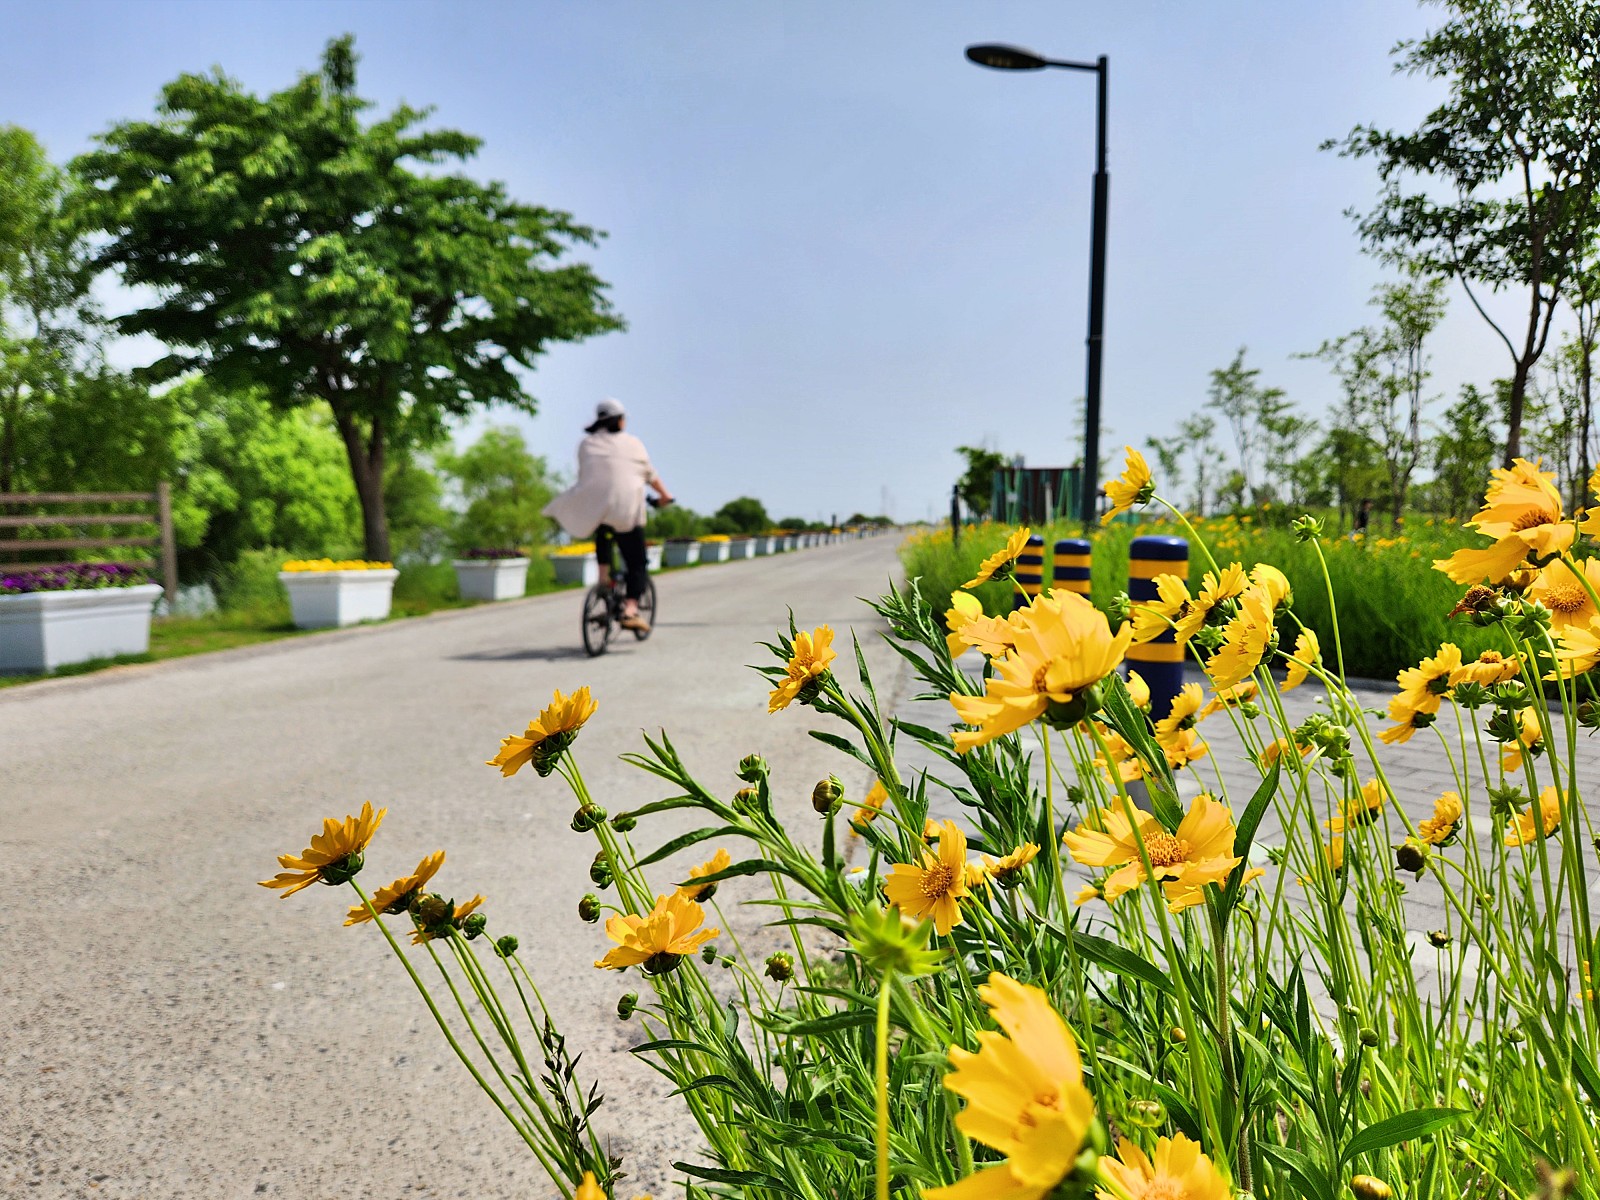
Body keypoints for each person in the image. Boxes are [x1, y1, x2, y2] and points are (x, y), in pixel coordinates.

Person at [543, 398, 673, 631]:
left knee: (603, 525)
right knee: (637, 563)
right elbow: (650, 475)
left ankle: (603, 578)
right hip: (626, 512)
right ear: (620, 421)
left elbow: (588, 476)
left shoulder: (586, 444)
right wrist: (665, 496)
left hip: (595, 508)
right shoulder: (633, 444)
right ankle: (631, 609)